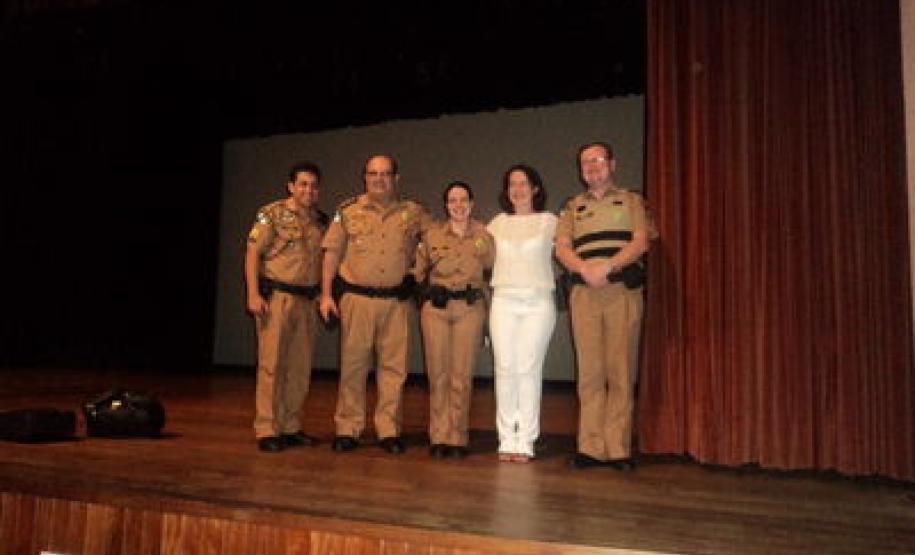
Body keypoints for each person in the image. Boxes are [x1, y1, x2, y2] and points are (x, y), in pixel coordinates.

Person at [319, 154, 430, 454]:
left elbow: (433, 245)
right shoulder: (347, 211)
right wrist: (326, 294)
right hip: (357, 300)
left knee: (394, 370)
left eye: (385, 173)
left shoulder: (413, 212)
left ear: (396, 178)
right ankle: (348, 428)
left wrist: (416, 275)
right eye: (373, 173)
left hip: (396, 302)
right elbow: (331, 253)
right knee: (352, 367)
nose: (379, 179)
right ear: (365, 177)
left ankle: (388, 430)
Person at [554, 142, 653, 470]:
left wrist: (609, 266)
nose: (592, 167)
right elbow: (562, 248)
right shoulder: (572, 207)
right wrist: (584, 269)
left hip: (620, 291)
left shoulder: (631, 201)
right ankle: (590, 447)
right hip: (584, 293)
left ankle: (618, 448)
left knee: (620, 371)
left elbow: (640, 241)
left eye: (598, 160)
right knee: (590, 372)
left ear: (612, 164)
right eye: (585, 162)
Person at [244, 161, 327, 453]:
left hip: (306, 300)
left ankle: (291, 426)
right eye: (303, 184)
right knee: (272, 366)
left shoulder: (320, 222)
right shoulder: (272, 214)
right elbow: (252, 254)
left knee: (299, 368)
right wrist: (253, 294)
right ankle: (267, 428)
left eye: (313, 186)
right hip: (277, 298)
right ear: (291, 186)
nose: (308, 190)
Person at [415, 182, 495, 459]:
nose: (458, 205)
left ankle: (457, 436)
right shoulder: (432, 235)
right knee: (438, 375)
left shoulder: (484, 235)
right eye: (452, 201)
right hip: (436, 310)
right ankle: (439, 435)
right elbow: (418, 272)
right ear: (446, 205)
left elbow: (493, 271)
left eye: (463, 200)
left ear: (472, 204)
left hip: (469, 308)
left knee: (461, 375)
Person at [486, 164, 558, 463]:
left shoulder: (550, 222)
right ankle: (506, 438)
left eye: (523, 183)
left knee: (528, 369)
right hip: (503, 300)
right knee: (504, 368)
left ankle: (525, 439)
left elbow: (568, 250)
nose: (517, 189)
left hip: (537, 301)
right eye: (512, 184)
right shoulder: (497, 224)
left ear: (535, 188)